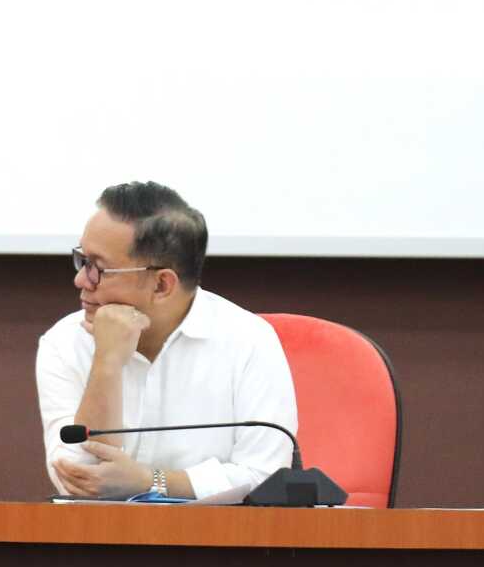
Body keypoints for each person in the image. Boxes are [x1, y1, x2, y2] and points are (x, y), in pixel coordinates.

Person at [35, 181, 296, 500]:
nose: (80, 280)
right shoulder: (65, 342)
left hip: (223, 541)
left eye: (97, 268)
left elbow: (264, 477)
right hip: (100, 543)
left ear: (161, 285)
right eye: (81, 260)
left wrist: (150, 481)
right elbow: (78, 481)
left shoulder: (249, 341)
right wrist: (107, 362)